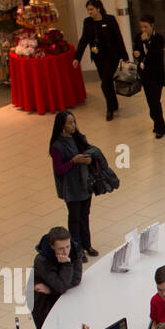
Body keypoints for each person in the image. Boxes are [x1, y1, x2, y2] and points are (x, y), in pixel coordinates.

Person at [49, 111, 99, 259]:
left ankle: (87, 245)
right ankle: (77, 250)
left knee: (85, 215)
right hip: (71, 188)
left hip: (85, 184)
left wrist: (89, 160)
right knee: (75, 218)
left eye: (74, 122)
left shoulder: (79, 138)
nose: (73, 125)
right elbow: (58, 169)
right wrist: (73, 161)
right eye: (70, 123)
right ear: (62, 126)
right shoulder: (56, 146)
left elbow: (91, 152)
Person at [72, 0, 128, 121]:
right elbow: (83, 41)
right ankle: (114, 103)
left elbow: (118, 38)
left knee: (105, 83)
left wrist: (125, 56)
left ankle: (110, 108)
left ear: (98, 9)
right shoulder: (88, 22)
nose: (89, 12)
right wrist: (77, 57)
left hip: (111, 57)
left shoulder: (110, 20)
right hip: (98, 58)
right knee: (106, 82)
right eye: (88, 10)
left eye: (91, 9)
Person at [30, 226, 82, 329]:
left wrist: (50, 290)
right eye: (61, 248)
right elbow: (61, 287)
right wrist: (67, 265)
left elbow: (76, 279)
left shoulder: (75, 249)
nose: (65, 252)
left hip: (61, 300)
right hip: (43, 306)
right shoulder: (41, 260)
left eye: (68, 246)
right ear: (52, 246)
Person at [133, 14, 165, 138]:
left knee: (155, 101)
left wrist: (146, 41)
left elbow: (155, 55)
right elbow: (138, 52)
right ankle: (157, 122)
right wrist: (136, 54)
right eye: (141, 27)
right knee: (150, 102)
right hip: (145, 75)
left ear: (152, 25)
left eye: (146, 27)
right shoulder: (138, 37)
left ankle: (160, 126)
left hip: (156, 76)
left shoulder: (159, 39)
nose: (143, 30)